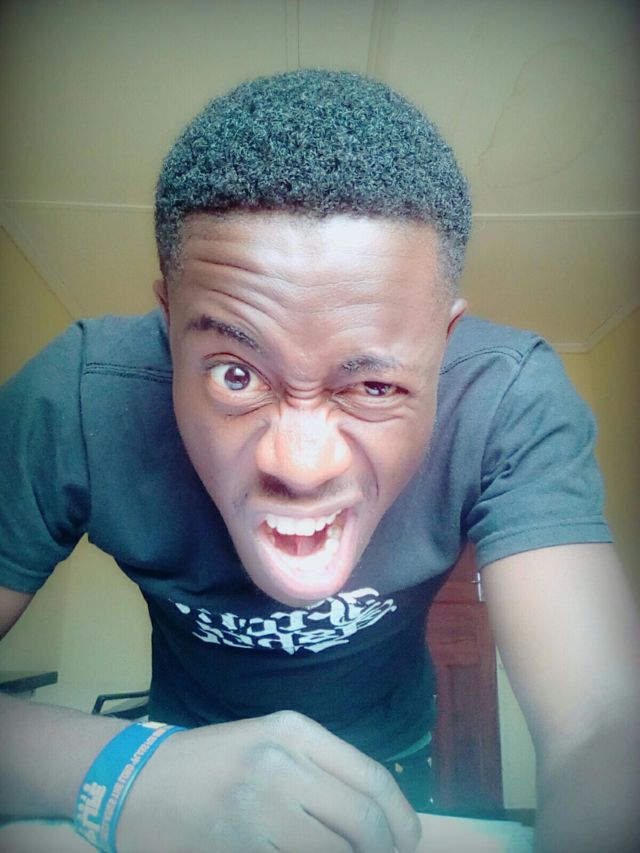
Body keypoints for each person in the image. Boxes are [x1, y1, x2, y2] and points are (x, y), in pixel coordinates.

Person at [0, 69, 638, 853]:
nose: (299, 466)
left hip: (392, 762)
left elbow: (604, 722)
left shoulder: (508, 398)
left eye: (372, 385)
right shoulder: (74, 398)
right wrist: (132, 770)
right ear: (170, 323)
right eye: (235, 375)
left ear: (443, 344)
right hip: (174, 768)